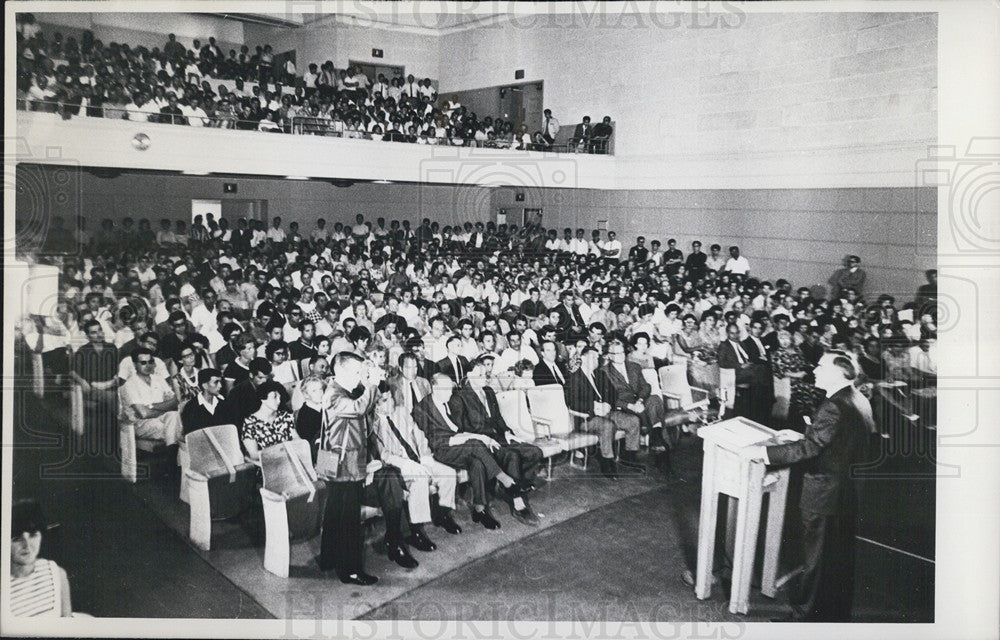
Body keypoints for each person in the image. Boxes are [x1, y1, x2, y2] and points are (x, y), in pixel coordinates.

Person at [742, 351, 876, 622]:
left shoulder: (833, 405)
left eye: (821, 365)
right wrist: (809, 433)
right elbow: (839, 440)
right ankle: (831, 615)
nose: (814, 369)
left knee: (815, 560)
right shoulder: (856, 398)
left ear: (838, 372)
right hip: (845, 490)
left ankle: (803, 618)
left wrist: (764, 454)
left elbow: (811, 447)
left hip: (823, 493)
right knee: (835, 559)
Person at [413, 373, 530, 530]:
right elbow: (438, 441)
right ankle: (505, 480)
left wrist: (479, 437)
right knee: (475, 444)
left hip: (458, 447)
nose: (450, 392)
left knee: (477, 463)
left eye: (451, 388)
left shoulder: (447, 402)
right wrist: (479, 438)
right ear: (434, 388)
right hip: (440, 451)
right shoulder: (422, 409)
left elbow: (459, 431)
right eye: (446, 389)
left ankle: (479, 510)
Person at [450, 356, 543, 525]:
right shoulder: (459, 398)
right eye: (480, 374)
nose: (485, 377)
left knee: (535, 452)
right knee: (512, 457)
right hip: (483, 442)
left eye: (485, 374)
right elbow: (461, 430)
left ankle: (516, 486)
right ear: (469, 375)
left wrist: (508, 432)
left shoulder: (489, 391)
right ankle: (518, 504)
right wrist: (483, 439)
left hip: (500, 436)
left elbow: (498, 417)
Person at [317, 351, 382, 585]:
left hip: (341, 462)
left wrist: (370, 382)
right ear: (341, 371)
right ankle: (350, 570)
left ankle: (329, 559)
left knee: (335, 513)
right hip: (346, 465)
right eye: (356, 372)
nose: (360, 377)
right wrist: (372, 383)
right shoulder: (335, 395)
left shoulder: (341, 390)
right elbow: (358, 409)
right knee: (349, 520)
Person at [374, 388, 462, 544]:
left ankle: (442, 514)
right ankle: (416, 530)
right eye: (386, 400)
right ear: (377, 406)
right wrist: (405, 463)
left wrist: (425, 455)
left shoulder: (401, 412)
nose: (393, 401)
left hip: (419, 460)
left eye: (392, 397)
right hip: (400, 466)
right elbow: (383, 454)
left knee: (448, 474)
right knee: (420, 480)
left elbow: (419, 434)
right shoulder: (375, 424)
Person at [564, 346, 642, 479]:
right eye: (593, 357)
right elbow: (572, 402)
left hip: (606, 412)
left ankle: (629, 457)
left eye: (597, 357)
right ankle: (607, 462)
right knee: (607, 426)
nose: (597, 360)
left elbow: (613, 393)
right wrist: (593, 407)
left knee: (633, 421)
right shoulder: (574, 377)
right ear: (583, 358)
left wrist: (606, 403)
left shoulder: (600, 374)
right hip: (586, 418)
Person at [9, 500, 74, 617]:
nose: (27, 545)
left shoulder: (57, 573)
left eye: (33, 535)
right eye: (17, 538)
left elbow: (67, 626)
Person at [118, 347, 183, 451]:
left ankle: (171, 455)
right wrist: (166, 405)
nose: (148, 366)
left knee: (174, 416)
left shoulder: (159, 379)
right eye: (143, 362)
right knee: (177, 428)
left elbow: (175, 402)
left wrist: (151, 406)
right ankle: (173, 456)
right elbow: (143, 414)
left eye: (150, 362)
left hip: (161, 419)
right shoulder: (129, 385)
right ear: (135, 365)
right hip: (140, 424)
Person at [241, 380, 297, 461]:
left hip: (287, 461)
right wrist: (280, 452)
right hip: (266, 465)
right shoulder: (250, 423)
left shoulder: (284, 416)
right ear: (263, 399)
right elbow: (254, 455)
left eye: (279, 397)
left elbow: (296, 440)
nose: (279, 401)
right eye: (274, 397)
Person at [179, 368, 227, 435]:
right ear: (205, 386)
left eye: (220, 382)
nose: (220, 386)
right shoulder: (191, 407)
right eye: (216, 382)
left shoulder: (224, 404)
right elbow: (191, 435)